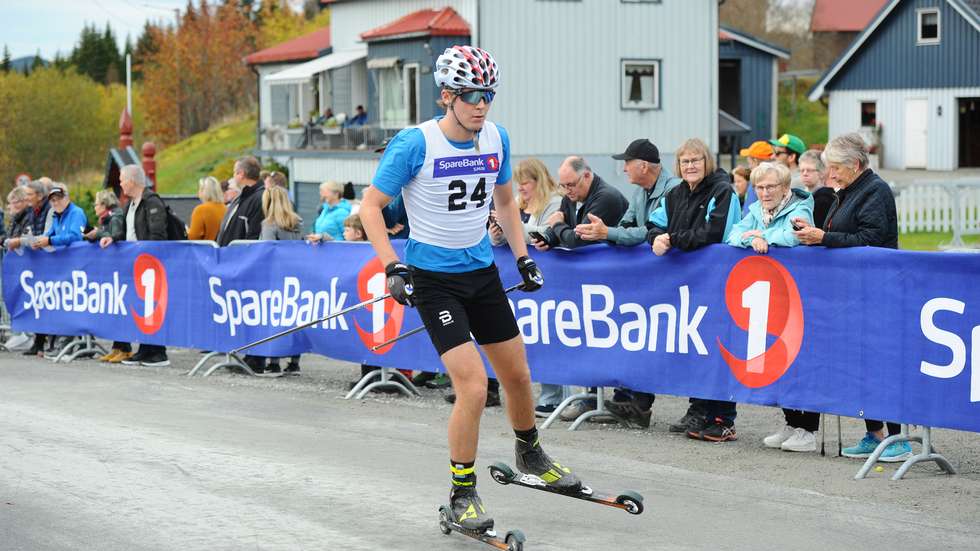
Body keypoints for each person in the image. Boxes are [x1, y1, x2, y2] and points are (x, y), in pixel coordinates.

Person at [357, 44, 582, 534]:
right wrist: (393, 266)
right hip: (434, 281)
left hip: (481, 273)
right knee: (475, 386)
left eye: (489, 95)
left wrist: (522, 257)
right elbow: (370, 208)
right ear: (447, 96)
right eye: (472, 95)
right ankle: (462, 493)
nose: (482, 105)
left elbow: (506, 203)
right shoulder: (415, 144)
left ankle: (530, 454)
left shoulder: (496, 138)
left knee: (518, 375)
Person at [792, 132, 910, 462]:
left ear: (855, 165)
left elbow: (871, 238)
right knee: (860, 364)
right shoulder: (848, 191)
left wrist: (824, 237)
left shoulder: (875, 191)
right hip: (852, 290)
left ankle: (898, 438)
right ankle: (875, 433)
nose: (830, 174)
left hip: (877, 289)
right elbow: (843, 232)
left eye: (835, 168)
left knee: (881, 364)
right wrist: (815, 232)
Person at [573, 138, 681, 428]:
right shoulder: (640, 192)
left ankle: (642, 404)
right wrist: (611, 233)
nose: (623, 169)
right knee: (638, 335)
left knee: (655, 338)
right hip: (646, 278)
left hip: (669, 279)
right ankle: (631, 402)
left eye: (627, 163)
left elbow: (648, 232)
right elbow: (627, 226)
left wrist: (608, 233)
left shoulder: (673, 190)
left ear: (643, 166)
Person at [646, 138, 742, 442]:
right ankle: (698, 408)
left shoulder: (723, 191)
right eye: (685, 161)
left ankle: (723, 418)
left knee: (719, 347)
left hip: (718, 281)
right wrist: (656, 237)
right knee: (695, 346)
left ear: (707, 162)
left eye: (695, 160)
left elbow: (714, 233)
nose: (690, 166)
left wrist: (673, 239)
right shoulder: (675, 194)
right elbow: (654, 223)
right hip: (686, 284)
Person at [489, 158, 566, 416]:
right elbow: (505, 238)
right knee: (528, 338)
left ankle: (552, 395)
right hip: (519, 282)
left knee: (549, 335)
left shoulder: (554, 202)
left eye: (525, 183)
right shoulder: (518, 203)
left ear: (538, 181)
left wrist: (511, 225)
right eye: (518, 183)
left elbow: (543, 234)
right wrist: (497, 233)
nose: (520, 188)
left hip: (547, 279)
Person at [100, 165, 171, 367]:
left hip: (151, 264)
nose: (120, 184)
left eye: (122, 180)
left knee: (153, 306)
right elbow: (126, 232)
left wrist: (144, 254)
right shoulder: (130, 204)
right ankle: (145, 349)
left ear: (132, 181)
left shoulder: (152, 201)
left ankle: (158, 353)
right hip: (137, 265)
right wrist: (112, 238)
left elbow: (157, 235)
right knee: (142, 307)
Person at [533, 156, 628, 251]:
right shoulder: (571, 196)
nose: (567, 191)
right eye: (562, 185)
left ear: (586, 176)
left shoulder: (606, 198)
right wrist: (547, 239)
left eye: (571, 185)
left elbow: (577, 242)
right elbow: (563, 227)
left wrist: (557, 224)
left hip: (613, 258)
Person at [259, 185, 303, 375]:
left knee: (276, 318)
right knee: (295, 318)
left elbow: (265, 250)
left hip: (275, 277)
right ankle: (294, 362)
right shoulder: (297, 222)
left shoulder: (269, 224)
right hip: (296, 275)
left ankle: (274, 361)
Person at [217, 156, 266, 246]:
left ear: (241, 174)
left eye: (234, 172)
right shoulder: (243, 197)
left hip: (241, 253)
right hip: (230, 252)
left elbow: (254, 234)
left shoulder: (260, 198)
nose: (233, 177)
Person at [798, 149, 836, 227]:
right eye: (802, 170)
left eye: (809, 170)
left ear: (821, 172)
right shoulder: (800, 195)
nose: (805, 174)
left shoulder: (825, 199)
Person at [188, 176, 227, 241]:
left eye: (200, 189)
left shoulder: (201, 210)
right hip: (222, 246)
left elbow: (193, 237)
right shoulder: (226, 208)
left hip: (205, 247)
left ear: (204, 191)